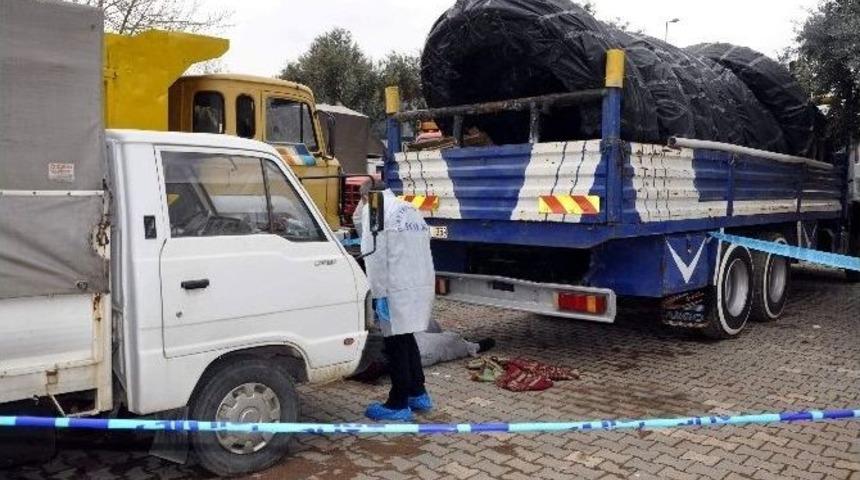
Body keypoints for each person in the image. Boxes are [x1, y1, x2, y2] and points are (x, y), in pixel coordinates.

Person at [355, 179, 435, 421]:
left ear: (367, 196)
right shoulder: (408, 207)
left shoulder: (377, 208)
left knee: (395, 343)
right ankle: (418, 392)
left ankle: (397, 403)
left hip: (395, 287)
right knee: (407, 337)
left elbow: (373, 253)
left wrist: (378, 293)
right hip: (418, 282)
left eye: (362, 199)